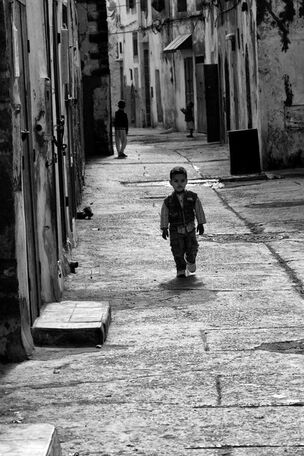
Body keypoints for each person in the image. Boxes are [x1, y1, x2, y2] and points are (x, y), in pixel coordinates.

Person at [160, 167, 206, 278]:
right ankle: (180, 268)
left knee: (192, 247)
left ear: (186, 181)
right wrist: (164, 227)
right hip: (175, 230)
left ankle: (190, 260)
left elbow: (198, 209)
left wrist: (201, 223)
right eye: (176, 181)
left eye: (182, 181)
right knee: (177, 250)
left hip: (190, 228)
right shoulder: (168, 201)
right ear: (171, 183)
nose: (179, 184)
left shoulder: (192, 197)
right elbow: (164, 214)